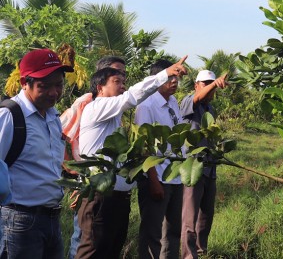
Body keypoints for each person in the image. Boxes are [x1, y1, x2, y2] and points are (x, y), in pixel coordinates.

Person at [75, 56, 187, 259]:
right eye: (117, 82)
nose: (122, 86)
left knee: (111, 250)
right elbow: (132, 97)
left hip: (117, 197)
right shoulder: (96, 107)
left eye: (123, 81)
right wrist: (165, 74)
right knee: (92, 251)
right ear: (100, 87)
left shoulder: (114, 117)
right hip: (101, 197)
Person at [0, 48, 73, 259]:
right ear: (25, 83)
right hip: (19, 220)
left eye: (58, 85)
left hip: (51, 218)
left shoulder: (52, 115)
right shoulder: (10, 116)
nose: (54, 92)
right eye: (44, 86)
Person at [60, 56, 126, 259]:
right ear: (101, 80)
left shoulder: (113, 106)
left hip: (108, 186)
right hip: (90, 184)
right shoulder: (88, 102)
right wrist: (77, 172)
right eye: (116, 75)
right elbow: (64, 133)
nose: (122, 80)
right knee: (83, 240)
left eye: (123, 75)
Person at [135, 59, 184, 259]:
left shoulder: (173, 102)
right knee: (151, 233)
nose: (174, 81)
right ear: (158, 78)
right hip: (158, 178)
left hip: (176, 176)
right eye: (170, 77)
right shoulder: (147, 105)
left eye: (176, 77)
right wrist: (154, 181)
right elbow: (144, 146)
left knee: (173, 232)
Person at [180, 69, 228, 259]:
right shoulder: (188, 102)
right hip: (192, 167)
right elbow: (199, 98)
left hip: (210, 168)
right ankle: (188, 256)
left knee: (206, 216)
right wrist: (215, 83)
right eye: (205, 84)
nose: (210, 89)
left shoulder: (211, 110)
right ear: (196, 86)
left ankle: (201, 252)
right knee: (189, 219)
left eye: (212, 84)